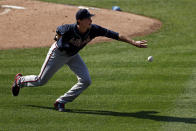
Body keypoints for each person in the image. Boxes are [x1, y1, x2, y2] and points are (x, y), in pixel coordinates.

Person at [11, 9, 147, 112]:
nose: (91, 21)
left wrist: (133, 42)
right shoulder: (69, 29)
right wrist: (56, 37)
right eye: (88, 18)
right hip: (58, 54)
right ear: (79, 21)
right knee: (41, 80)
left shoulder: (94, 30)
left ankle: (60, 102)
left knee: (86, 81)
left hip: (73, 56)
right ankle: (19, 81)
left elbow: (116, 35)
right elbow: (59, 30)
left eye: (90, 18)